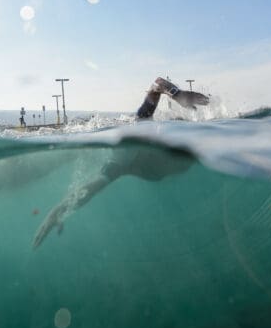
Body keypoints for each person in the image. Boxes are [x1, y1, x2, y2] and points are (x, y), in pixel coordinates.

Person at [32, 77, 209, 248]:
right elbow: (91, 188)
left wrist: (178, 94)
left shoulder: (145, 133)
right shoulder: (125, 157)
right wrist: (58, 210)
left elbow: (158, 84)